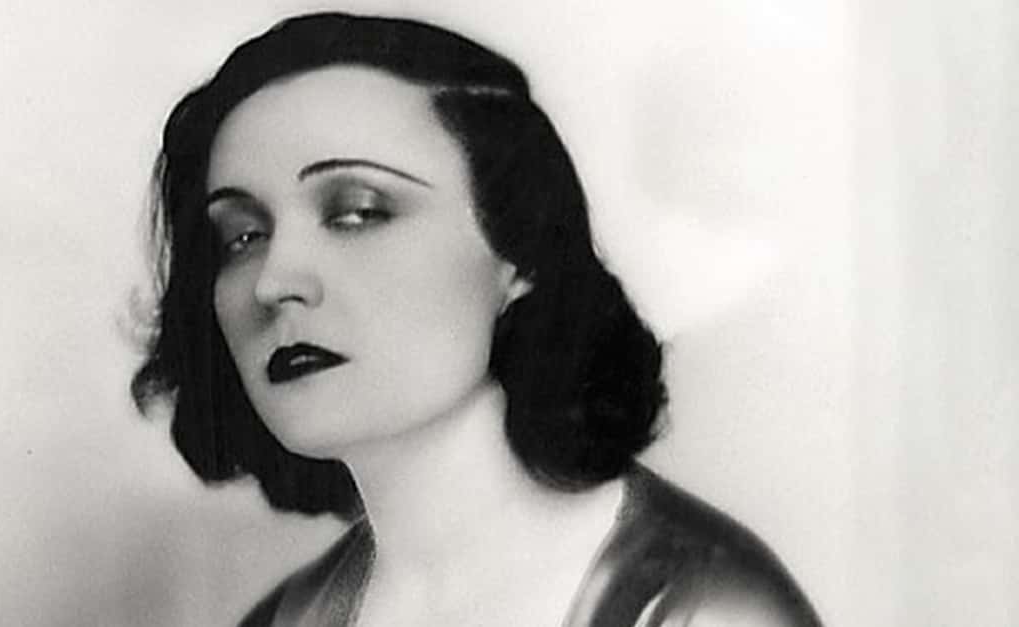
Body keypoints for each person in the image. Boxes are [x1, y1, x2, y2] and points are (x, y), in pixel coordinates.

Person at [132, 11, 821, 626]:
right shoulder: (285, 619)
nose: (275, 280)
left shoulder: (706, 611)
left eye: (358, 212)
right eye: (242, 236)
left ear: (518, 253)